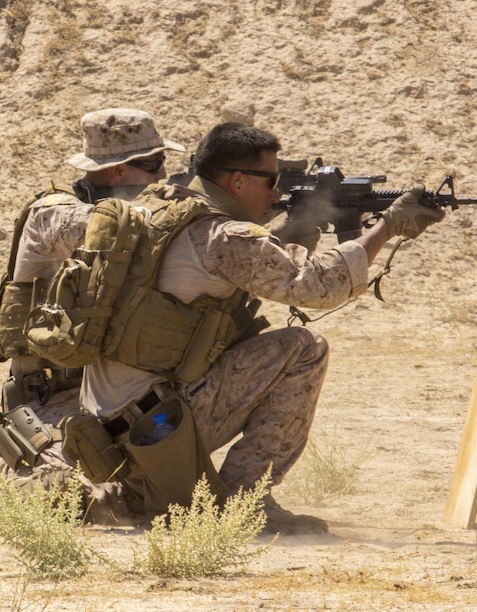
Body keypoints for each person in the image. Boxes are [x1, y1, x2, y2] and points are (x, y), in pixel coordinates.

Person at [78, 122, 445, 534]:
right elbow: (317, 286)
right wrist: (389, 227)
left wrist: (292, 234)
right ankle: (245, 503)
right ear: (236, 181)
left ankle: (147, 488)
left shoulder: (155, 207)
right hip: (157, 432)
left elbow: (237, 269)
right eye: (270, 182)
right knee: (304, 348)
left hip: (105, 435)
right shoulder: (222, 235)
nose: (275, 195)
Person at [0, 108, 185, 524]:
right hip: (51, 402)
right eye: (154, 165)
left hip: (109, 397)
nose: (161, 177)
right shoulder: (55, 214)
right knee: (77, 502)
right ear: (118, 171)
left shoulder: (128, 210)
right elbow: (121, 229)